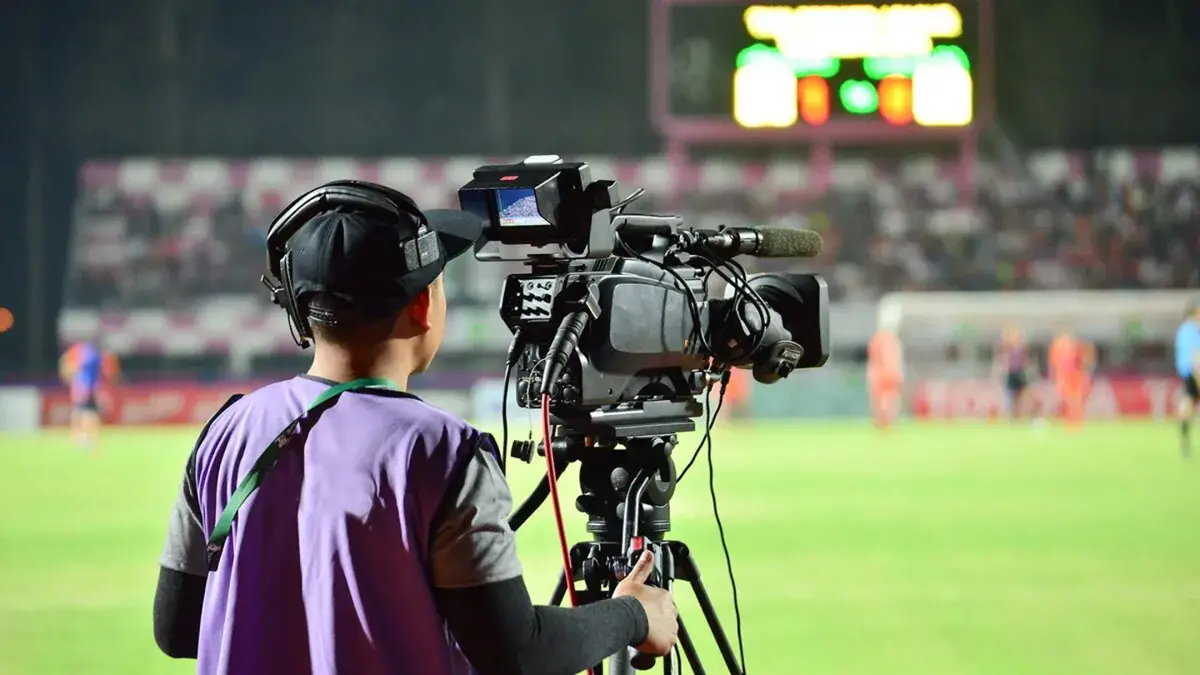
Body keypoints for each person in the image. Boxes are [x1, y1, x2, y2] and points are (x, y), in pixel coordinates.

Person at [152, 182, 679, 675]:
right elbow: (515, 651)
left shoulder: (224, 432)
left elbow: (177, 630)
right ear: (424, 304)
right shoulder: (444, 452)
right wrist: (633, 614)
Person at [58, 338, 120, 450]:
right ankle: (83, 436)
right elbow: (106, 372)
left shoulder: (84, 353)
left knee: (83, 411)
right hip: (85, 387)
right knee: (87, 412)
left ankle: (81, 436)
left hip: (84, 387)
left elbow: (67, 363)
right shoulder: (92, 355)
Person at [1048, 327, 1094, 429]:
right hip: (1069, 376)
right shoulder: (1069, 345)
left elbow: (1081, 361)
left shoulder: (1068, 345)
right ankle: (1073, 421)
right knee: (1072, 400)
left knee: (1072, 400)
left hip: (1069, 376)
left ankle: (1073, 421)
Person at [1174, 300, 1200, 457]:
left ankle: (1185, 442)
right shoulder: (1192, 331)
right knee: (1188, 403)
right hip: (1194, 371)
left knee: (1187, 403)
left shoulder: (1182, 331)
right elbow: (1195, 355)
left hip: (1185, 371)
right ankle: (1185, 442)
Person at [994, 325, 1034, 421]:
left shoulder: (1021, 348)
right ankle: (1012, 415)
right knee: (1011, 396)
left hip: (1019, 373)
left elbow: (1025, 360)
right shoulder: (1008, 347)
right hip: (1012, 373)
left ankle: (1020, 414)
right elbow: (1001, 355)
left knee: (1021, 396)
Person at [866, 328, 903, 430]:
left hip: (887, 374)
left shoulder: (888, 340)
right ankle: (884, 422)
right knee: (884, 399)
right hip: (884, 374)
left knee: (887, 399)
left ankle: (885, 422)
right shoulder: (886, 340)